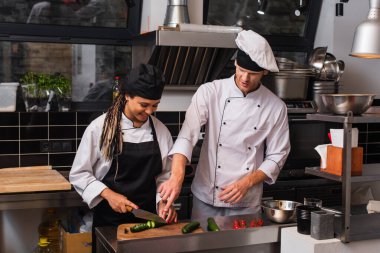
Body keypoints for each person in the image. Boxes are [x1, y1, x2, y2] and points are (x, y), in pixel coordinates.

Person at [158, 30, 291, 219]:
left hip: (246, 200)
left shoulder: (276, 107)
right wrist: (176, 178)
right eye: (242, 70)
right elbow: (187, 136)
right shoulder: (211, 92)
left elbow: (278, 155)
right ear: (235, 63)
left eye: (253, 73)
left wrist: (245, 183)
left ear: (264, 71)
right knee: (204, 247)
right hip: (206, 195)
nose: (245, 78)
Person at [69, 64, 177, 251]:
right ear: (127, 95)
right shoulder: (100, 128)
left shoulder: (160, 130)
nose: (150, 111)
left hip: (148, 221)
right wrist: (109, 195)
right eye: (144, 105)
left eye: (155, 105)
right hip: (109, 223)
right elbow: (79, 174)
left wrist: (163, 202)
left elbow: (164, 176)